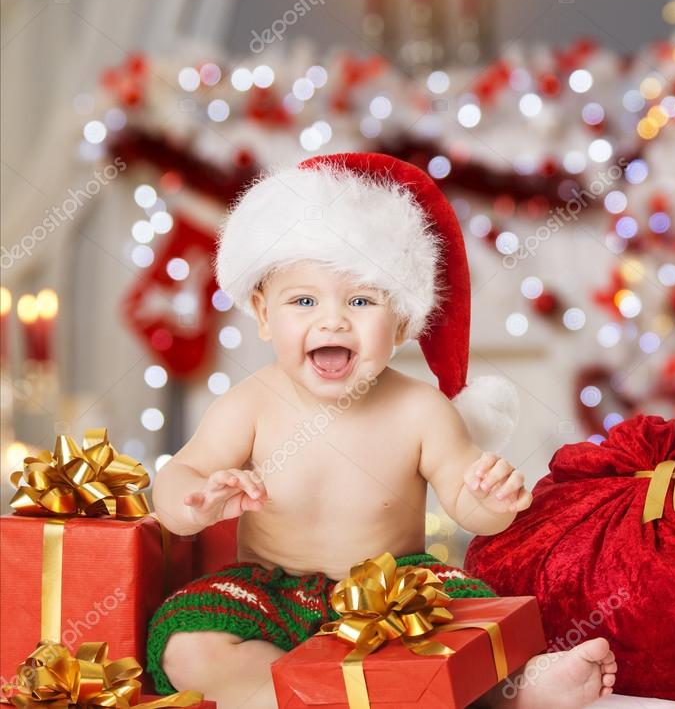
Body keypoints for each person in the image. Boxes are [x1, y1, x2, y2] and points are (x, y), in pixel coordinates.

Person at [146, 153, 617, 709]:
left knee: (470, 627)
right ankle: (305, 693)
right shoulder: (249, 404)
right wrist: (193, 505)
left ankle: (515, 689)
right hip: (271, 594)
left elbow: (470, 505)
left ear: (399, 322)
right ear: (264, 313)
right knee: (186, 645)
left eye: (361, 301)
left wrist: (493, 497)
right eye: (304, 300)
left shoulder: (420, 410)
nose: (333, 320)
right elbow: (179, 477)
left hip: (395, 597)